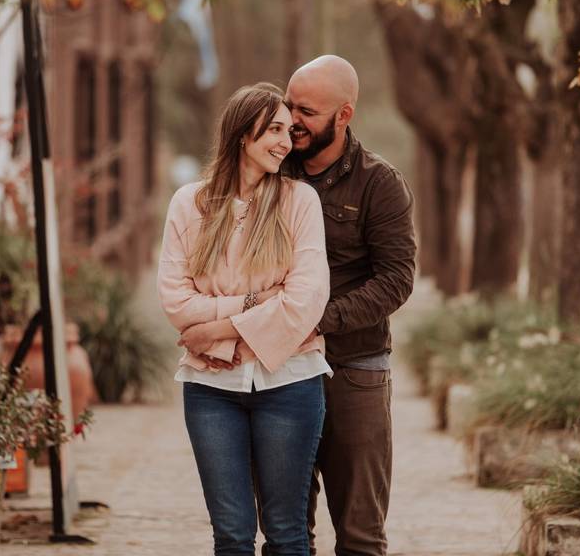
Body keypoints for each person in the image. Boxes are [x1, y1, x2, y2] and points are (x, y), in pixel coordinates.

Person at [157, 82, 332, 556]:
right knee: (231, 537)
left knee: (286, 533)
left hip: (291, 384)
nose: (285, 141)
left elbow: (306, 299)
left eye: (288, 130)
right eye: (274, 129)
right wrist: (255, 305)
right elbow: (176, 302)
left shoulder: (300, 202)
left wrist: (213, 329)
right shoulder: (189, 204)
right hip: (211, 391)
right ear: (242, 135)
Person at [284, 55, 417, 556]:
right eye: (289, 105)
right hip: (283, 368)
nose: (293, 119)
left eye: (307, 111)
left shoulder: (380, 184)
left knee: (360, 536)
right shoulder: (271, 173)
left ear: (344, 115)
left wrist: (318, 321)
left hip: (355, 369)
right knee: (287, 533)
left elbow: (396, 281)